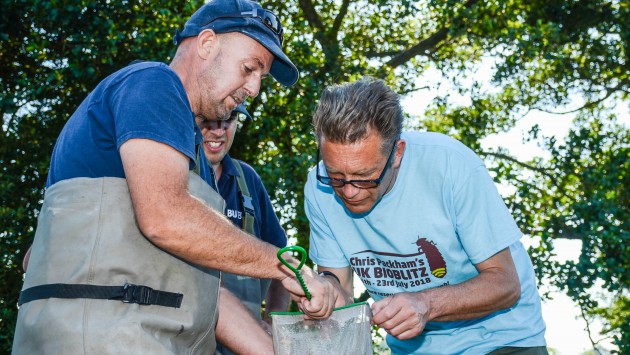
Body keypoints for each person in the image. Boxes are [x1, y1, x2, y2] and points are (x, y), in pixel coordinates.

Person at [13, 1, 344, 354]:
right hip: (99, 338)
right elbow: (165, 215)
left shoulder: (193, 159)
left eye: (259, 78)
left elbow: (207, 294)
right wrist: (285, 267)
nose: (253, 89)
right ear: (206, 43)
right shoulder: (154, 83)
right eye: (249, 68)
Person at [304, 76, 548, 354]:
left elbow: (506, 283)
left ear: (397, 153)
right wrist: (324, 291)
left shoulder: (451, 166)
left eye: (365, 177)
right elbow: (341, 294)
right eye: (336, 176)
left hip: (501, 339)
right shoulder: (317, 187)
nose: (349, 192)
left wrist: (425, 304)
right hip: (415, 349)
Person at [197, 103, 291, 353]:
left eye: (228, 119)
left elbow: (284, 262)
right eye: (207, 119)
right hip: (184, 341)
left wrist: (273, 323)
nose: (218, 131)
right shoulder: (172, 173)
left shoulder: (248, 181)